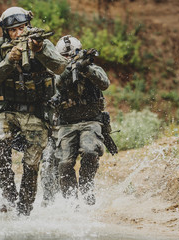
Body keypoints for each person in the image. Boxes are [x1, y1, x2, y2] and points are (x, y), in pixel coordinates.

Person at [0, 7, 67, 216]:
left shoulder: (42, 43)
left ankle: (24, 209)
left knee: (31, 163)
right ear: (6, 32)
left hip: (37, 112)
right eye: (13, 30)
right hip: (8, 109)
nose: (18, 33)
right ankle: (8, 196)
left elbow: (60, 68)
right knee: (2, 145)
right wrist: (9, 60)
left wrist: (39, 50)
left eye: (21, 28)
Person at [46, 35, 111, 205]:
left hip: (91, 121)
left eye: (72, 55)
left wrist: (85, 69)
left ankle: (86, 185)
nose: (69, 58)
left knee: (90, 151)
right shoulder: (55, 73)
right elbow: (56, 85)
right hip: (66, 124)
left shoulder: (91, 68)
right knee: (64, 163)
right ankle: (71, 201)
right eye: (64, 56)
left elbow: (104, 83)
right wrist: (68, 70)